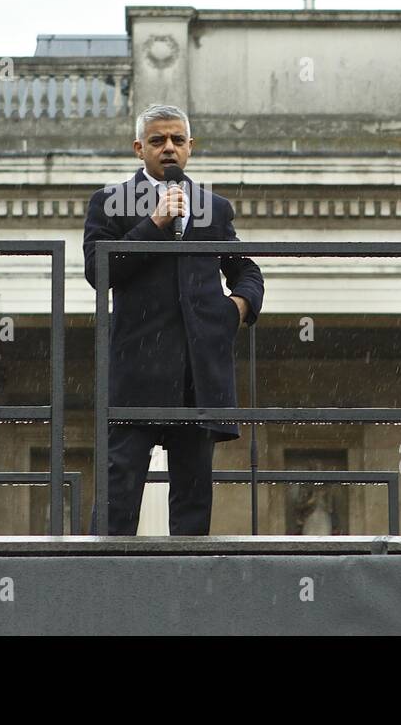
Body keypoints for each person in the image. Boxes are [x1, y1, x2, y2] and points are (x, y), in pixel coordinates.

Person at [83, 103, 264, 536]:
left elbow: (245, 270)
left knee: (194, 501)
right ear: (138, 148)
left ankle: (187, 594)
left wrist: (234, 309)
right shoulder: (110, 202)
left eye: (177, 141)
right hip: (136, 374)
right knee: (117, 496)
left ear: (190, 148)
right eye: (158, 140)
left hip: (198, 376)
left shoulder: (214, 207)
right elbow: (99, 271)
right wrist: (155, 222)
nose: (169, 149)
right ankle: (103, 589)